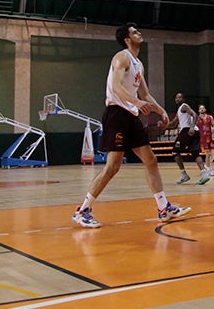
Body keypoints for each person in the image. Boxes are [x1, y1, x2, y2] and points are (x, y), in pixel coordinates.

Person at [71, 23, 190, 228]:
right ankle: (83, 210)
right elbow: (116, 87)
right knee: (113, 166)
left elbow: (145, 94)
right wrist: (136, 103)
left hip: (131, 115)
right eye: (134, 32)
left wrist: (160, 110)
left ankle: (163, 208)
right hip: (117, 113)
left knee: (150, 159)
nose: (139, 33)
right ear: (127, 39)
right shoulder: (122, 57)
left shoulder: (138, 64)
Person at [169, 93, 209, 186]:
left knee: (175, 152)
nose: (177, 99)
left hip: (187, 130)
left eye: (179, 97)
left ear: (183, 99)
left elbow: (194, 114)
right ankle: (204, 175)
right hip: (195, 131)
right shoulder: (179, 110)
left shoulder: (184, 106)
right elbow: (173, 124)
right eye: (176, 97)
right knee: (195, 153)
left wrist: (191, 126)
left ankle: (184, 175)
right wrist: (163, 125)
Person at [196, 105, 214, 176]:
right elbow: (194, 127)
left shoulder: (210, 117)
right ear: (198, 111)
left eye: (203, 108)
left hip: (209, 137)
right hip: (202, 138)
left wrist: (213, 128)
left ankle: (207, 166)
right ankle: (208, 169)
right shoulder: (197, 118)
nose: (202, 109)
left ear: (205, 109)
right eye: (200, 109)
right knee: (208, 154)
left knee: (213, 153)